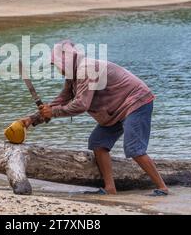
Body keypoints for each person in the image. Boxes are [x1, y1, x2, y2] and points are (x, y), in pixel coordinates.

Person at [20, 40, 168, 196]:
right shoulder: (73, 75)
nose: (58, 69)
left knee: (134, 148)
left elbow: (81, 104)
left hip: (136, 102)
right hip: (115, 109)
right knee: (98, 142)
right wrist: (32, 119)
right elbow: (61, 100)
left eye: (57, 64)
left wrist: (54, 112)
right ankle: (110, 188)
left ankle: (162, 188)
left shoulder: (86, 69)